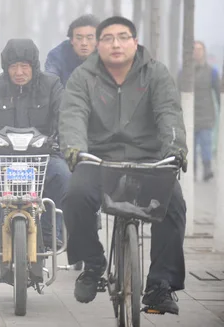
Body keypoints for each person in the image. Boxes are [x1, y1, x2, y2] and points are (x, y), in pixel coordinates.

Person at [60, 16, 187, 315]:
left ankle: (160, 285)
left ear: (135, 41)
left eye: (122, 37)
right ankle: (92, 265)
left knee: (174, 204)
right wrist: (75, 149)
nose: (115, 44)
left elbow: (169, 113)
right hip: (99, 159)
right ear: (98, 45)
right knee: (74, 197)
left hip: (148, 159)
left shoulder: (155, 74)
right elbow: (73, 115)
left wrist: (175, 150)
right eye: (108, 38)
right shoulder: (83, 76)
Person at [0, 38, 70, 249]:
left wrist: (63, 136)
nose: (19, 72)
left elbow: (66, 114)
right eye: (13, 66)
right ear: (5, 68)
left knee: (63, 174)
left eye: (24, 66)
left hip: (45, 157)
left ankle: (49, 230)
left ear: (34, 66)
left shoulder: (52, 85)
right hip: (2, 159)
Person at [191, 40, 220, 181]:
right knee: (191, 146)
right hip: (190, 116)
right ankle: (192, 171)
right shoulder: (184, 72)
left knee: (206, 144)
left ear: (204, 52)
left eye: (200, 49)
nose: (197, 52)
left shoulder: (212, 72)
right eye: (195, 49)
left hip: (207, 115)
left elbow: (219, 92)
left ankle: (207, 169)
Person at [45, 14, 100, 86]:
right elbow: (50, 82)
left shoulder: (107, 54)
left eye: (89, 38)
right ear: (71, 40)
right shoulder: (58, 56)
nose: (84, 43)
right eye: (79, 38)